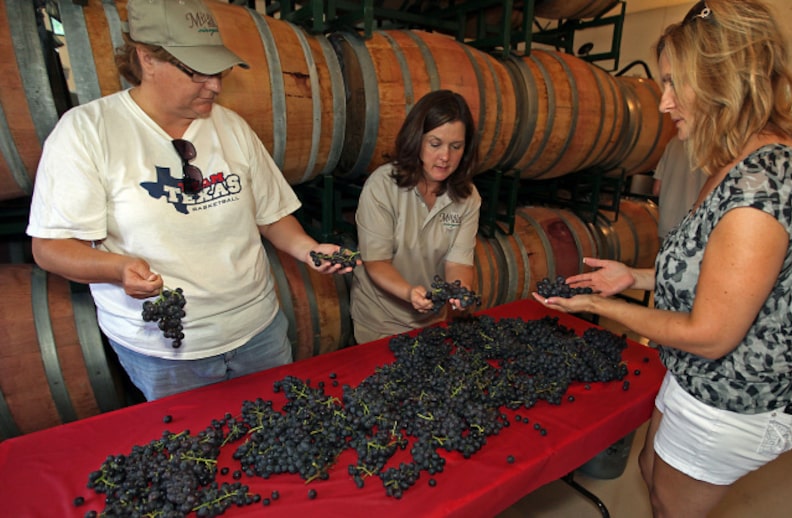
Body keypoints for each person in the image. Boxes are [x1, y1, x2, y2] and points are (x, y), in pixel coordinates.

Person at [533, 1, 792, 516]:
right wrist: (633, 277)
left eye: (673, 84)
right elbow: (715, 273)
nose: (664, 103)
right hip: (692, 375)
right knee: (650, 469)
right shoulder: (737, 160)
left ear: (723, 80)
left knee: (671, 506)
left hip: (731, 394)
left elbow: (712, 332)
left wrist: (602, 309)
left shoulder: (762, 185)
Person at [25, 0, 353, 401]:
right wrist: (118, 268)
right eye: (197, 72)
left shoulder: (231, 126)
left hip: (259, 332)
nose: (214, 85)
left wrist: (309, 250)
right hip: (168, 353)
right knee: (193, 453)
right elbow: (50, 247)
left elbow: (270, 216)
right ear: (146, 58)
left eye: (219, 71)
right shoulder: (88, 132)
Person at [350, 89, 481, 343]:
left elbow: (459, 263)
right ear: (416, 140)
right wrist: (410, 292)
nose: (445, 156)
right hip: (380, 320)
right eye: (435, 144)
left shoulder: (468, 196)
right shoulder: (383, 186)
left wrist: (459, 291)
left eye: (456, 147)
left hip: (431, 319)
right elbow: (377, 262)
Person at [652, 135, 707, 243]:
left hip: (667, 226)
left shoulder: (674, 142)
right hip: (695, 228)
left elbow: (656, 189)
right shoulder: (717, 146)